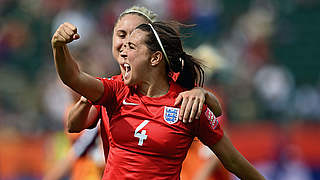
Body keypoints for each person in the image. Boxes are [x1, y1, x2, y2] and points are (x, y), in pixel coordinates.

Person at [51, 12, 265, 179]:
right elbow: (73, 78)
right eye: (122, 42)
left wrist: (205, 96)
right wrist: (59, 47)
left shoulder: (187, 105)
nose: (122, 51)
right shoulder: (116, 90)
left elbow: (234, 162)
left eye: (131, 46)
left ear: (155, 59)